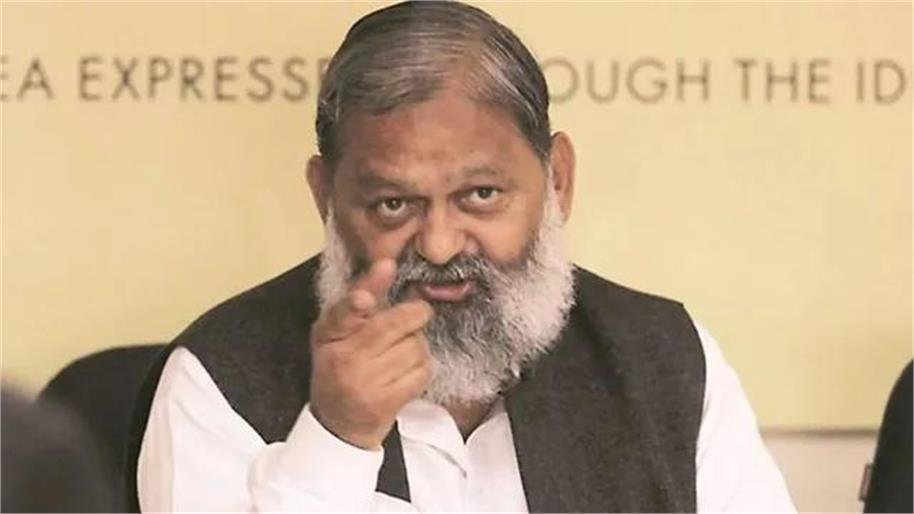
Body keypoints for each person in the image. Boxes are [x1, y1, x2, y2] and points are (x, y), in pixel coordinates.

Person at [129, 2, 795, 512]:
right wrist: (335, 439)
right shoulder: (217, 379)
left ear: (557, 180)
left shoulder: (667, 360)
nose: (440, 244)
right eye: (394, 204)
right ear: (326, 196)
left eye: (480, 195)